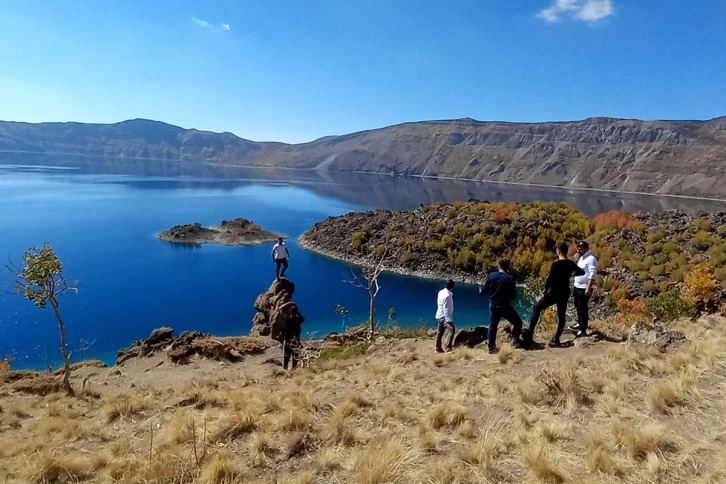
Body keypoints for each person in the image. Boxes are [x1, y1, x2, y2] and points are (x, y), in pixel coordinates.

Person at [523, 242, 585, 348]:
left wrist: (545, 289)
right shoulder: (570, 264)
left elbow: (550, 279)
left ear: (559, 251)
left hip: (554, 292)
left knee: (537, 307)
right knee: (561, 315)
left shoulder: (555, 265)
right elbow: (582, 272)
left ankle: (530, 333)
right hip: (565, 292)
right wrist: (572, 274)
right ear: (566, 251)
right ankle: (556, 339)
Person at [479, 259, 524, 353]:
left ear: (499, 266)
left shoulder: (491, 275)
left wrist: (481, 291)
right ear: (508, 267)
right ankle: (515, 342)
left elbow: (484, 290)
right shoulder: (510, 278)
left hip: (493, 304)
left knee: (492, 325)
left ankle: (491, 347)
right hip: (505, 305)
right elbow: (513, 296)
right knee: (517, 322)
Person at [570, 240, 598, 337]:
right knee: (577, 306)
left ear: (586, 249)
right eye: (578, 248)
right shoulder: (582, 258)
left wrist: (588, 288)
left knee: (583, 308)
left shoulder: (591, 259)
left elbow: (593, 274)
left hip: (584, 288)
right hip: (577, 286)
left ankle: (582, 329)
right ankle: (579, 323)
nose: (578, 250)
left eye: (581, 249)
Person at [281, 302, 305, 369]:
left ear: (290, 311)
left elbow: (281, 314)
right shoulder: (298, 320)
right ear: (296, 312)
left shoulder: (287, 319)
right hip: (296, 340)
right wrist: (297, 312)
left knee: (286, 356)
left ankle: (285, 369)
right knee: (295, 356)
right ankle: (293, 370)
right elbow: (303, 319)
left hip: (288, 340)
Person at [435, 280, 456, 353]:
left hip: (439, 314)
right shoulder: (448, 295)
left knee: (439, 332)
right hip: (444, 316)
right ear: (452, 287)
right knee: (452, 330)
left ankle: (438, 348)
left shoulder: (440, 292)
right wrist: (448, 321)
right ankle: (448, 348)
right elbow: (446, 308)